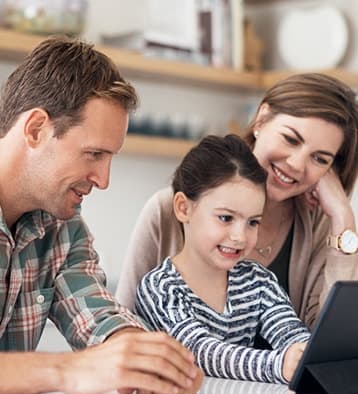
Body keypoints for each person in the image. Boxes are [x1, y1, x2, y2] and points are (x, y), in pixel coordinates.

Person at [0, 35, 203, 394]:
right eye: (93, 154)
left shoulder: (64, 231)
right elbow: (77, 369)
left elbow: (98, 316)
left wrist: (142, 359)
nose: (103, 180)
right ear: (35, 130)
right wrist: (68, 370)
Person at [116, 73, 358, 328]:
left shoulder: (322, 227)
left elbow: (333, 337)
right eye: (290, 139)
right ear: (262, 120)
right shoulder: (167, 209)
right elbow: (124, 326)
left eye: (320, 159)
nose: (297, 165)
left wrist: (343, 217)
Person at [135, 135, 311, 383]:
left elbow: (290, 331)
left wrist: (303, 352)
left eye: (253, 222)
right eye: (226, 218)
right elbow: (198, 352)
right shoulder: (160, 288)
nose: (240, 237)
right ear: (184, 208)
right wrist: (278, 364)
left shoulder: (258, 282)